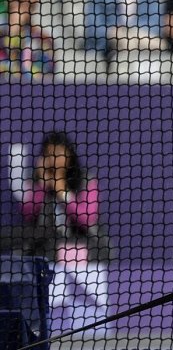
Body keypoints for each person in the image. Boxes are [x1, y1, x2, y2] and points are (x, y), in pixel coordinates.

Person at [11, 131, 113, 333]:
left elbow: (87, 219)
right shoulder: (38, 181)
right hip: (46, 251)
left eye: (59, 154)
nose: (54, 160)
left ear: (70, 156)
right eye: (49, 154)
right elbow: (28, 212)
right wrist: (42, 186)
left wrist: (63, 193)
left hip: (85, 248)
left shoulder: (85, 179)